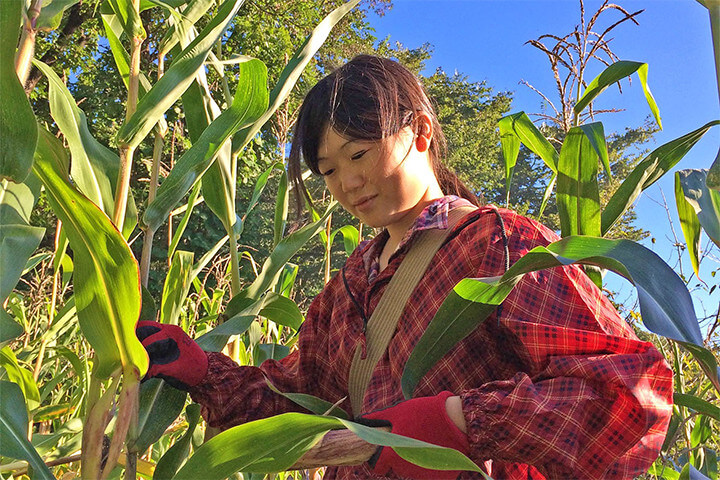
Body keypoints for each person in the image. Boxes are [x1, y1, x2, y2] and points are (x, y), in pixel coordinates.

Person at [136, 55, 673, 479]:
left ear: (418, 131)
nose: (346, 183)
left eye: (359, 153)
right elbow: (299, 402)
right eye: (326, 169)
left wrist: (462, 421)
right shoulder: (347, 289)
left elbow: (627, 396)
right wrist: (202, 371)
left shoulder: (497, 246)